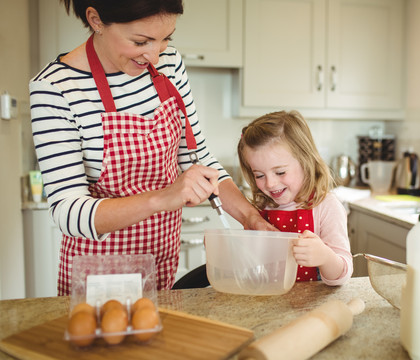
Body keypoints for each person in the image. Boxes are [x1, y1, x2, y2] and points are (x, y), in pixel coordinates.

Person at [29, 0, 274, 296]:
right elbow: (68, 212)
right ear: (95, 19)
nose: (154, 54)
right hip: (99, 276)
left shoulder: (169, 63)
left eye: (166, 38)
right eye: (140, 41)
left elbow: (197, 159)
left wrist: (250, 218)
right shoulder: (56, 88)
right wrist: (163, 198)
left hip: (160, 263)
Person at [237, 111, 353, 285]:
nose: (270, 183)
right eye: (259, 175)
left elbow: (342, 275)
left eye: (280, 172)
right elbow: (253, 265)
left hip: (311, 307)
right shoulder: (263, 207)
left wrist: (325, 257)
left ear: (305, 161)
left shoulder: (326, 206)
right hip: (270, 304)